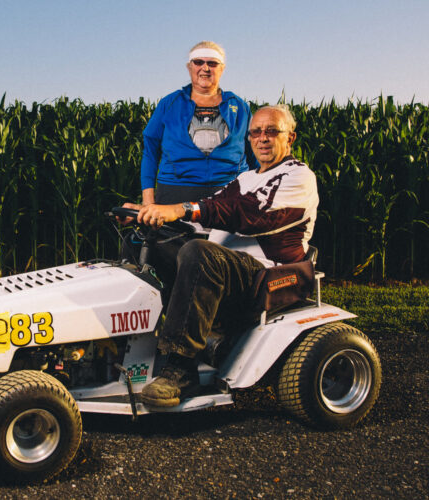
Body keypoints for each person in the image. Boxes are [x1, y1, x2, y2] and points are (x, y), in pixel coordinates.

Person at [131, 105, 319, 407]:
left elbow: (250, 216)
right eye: (256, 132)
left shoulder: (299, 177)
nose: (262, 139)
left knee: (199, 252)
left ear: (291, 138)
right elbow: (205, 208)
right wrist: (150, 214)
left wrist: (182, 209)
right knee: (148, 241)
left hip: (264, 275)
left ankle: (180, 369)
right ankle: (135, 343)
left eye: (272, 131)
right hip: (230, 268)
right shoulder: (245, 179)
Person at [140, 41, 256, 206]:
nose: (205, 68)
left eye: (212, 63)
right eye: (198, 62)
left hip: (231, 193)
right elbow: (150, 152)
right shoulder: (169, 103)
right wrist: (148, 200)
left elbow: (255, 155)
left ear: (222, 68)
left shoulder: (240, 106)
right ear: (189, 67)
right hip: (175, 193)